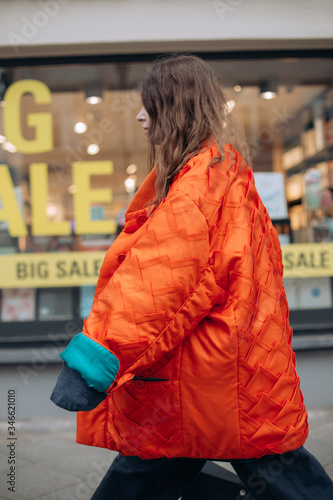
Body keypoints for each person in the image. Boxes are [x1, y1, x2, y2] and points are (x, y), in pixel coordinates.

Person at [51, 54, 333, 500]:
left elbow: (155, 283)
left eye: (150, 105)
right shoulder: (227, 175)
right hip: (232, 370)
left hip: (205, 379)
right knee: (277, 472)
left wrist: (93, 360)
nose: (141, 116)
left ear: (175, 108)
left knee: (149, 475)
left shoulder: (196, 186)